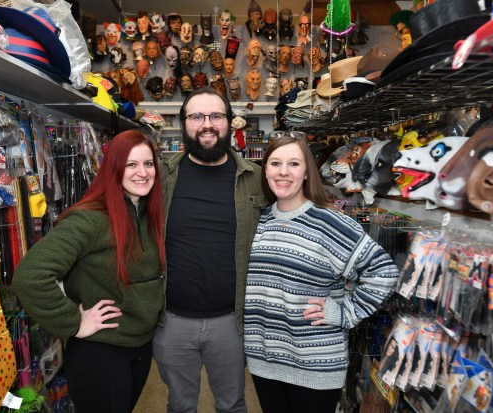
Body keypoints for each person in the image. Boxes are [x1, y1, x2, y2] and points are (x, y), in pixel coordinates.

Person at [244, 132, 400, 413]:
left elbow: (384, 272)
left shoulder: (329, 223)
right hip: (264, 363)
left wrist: (342, 312)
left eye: (294, 164)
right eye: (275, 163)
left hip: (314, 365)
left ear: (306, 172)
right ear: (264, 170)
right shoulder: (260, 219)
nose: (283, 172)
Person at [12, 131, 166, 413]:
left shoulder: (146, 212)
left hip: (140, 347)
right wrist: (73, 322)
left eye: (148, 163)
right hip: (101, 352)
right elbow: (30, 276)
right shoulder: (91, 218)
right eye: (131, 165)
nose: (142, 172)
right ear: (113, 168)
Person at [154, 87, 267, 413]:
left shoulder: (255, 178)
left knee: (232, 404)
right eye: (197, 116)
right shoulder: (161, 176)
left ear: (231, 123)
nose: (207, 124)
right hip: (171, 322)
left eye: (216, 116)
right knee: (179, 405)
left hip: (231, 324)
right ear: (183, 123)